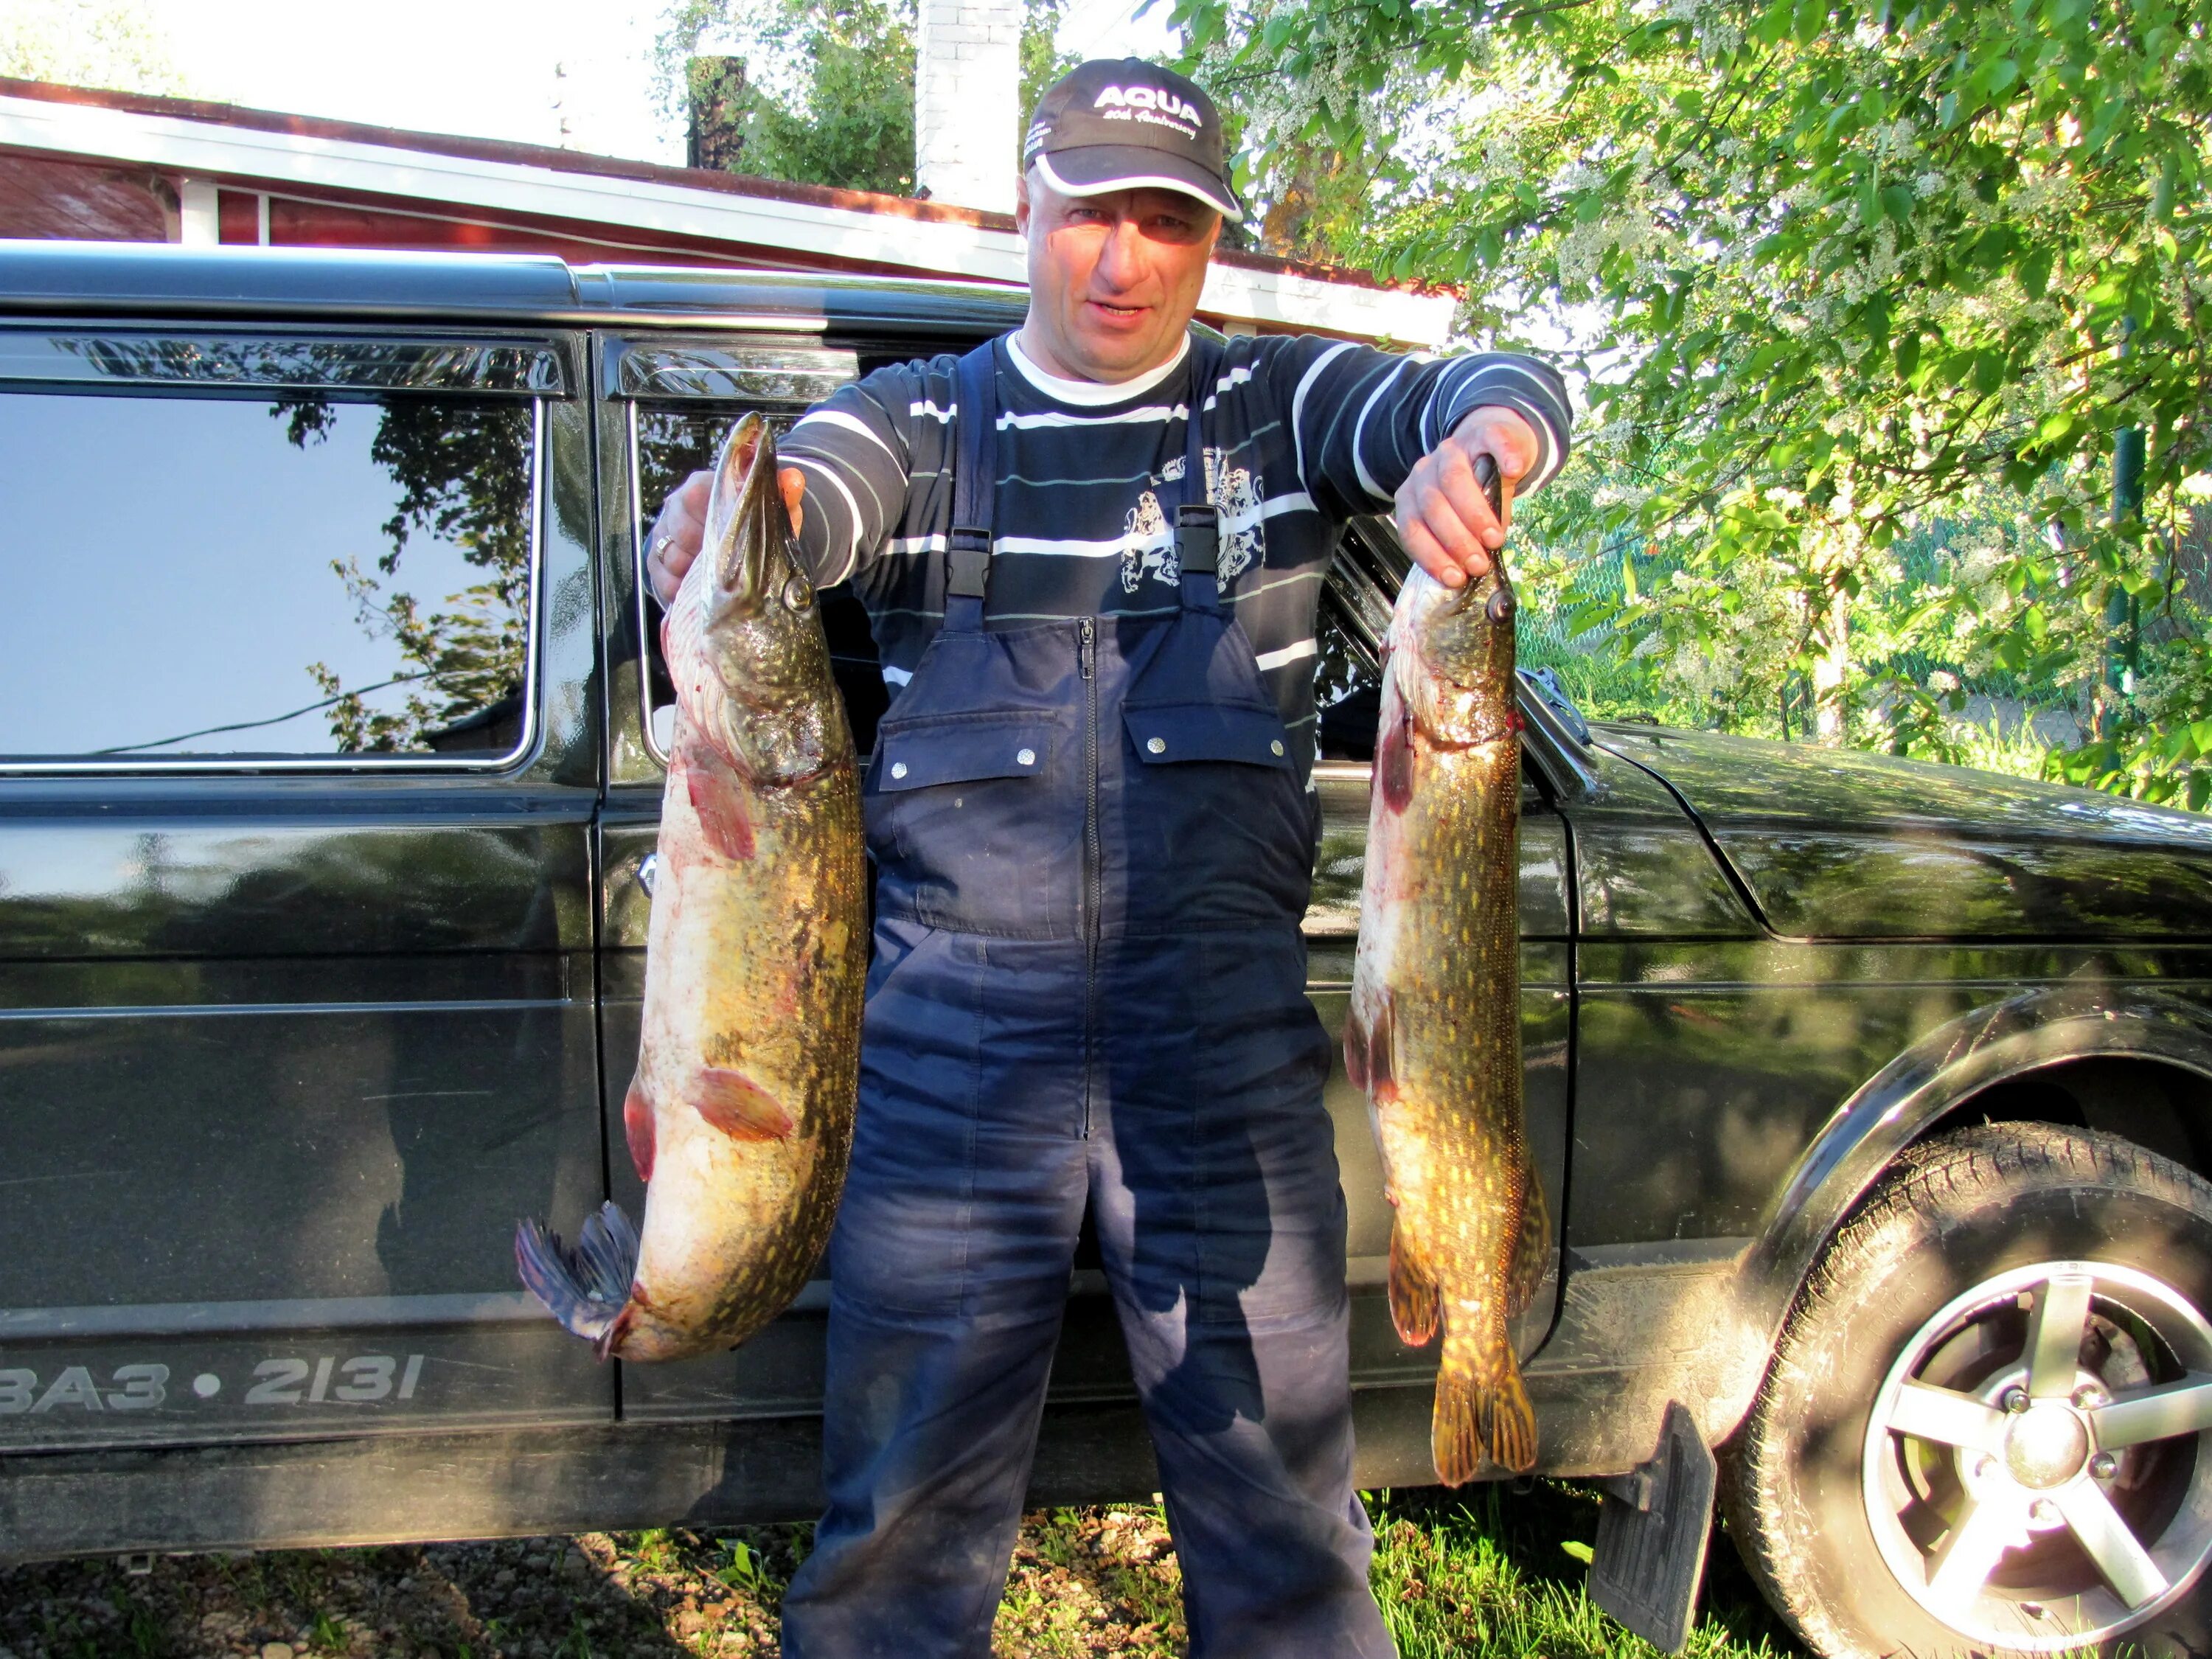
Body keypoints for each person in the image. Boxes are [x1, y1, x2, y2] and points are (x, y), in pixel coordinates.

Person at [643, 57, 1571, 1659]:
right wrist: (744, 517)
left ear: (1208, 241)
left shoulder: (1276, 410)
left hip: (1220, 1066)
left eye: (1167, 221)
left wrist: (1475, 460)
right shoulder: (929, 422)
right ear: (1029, 208)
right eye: (1091, 213)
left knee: (1288, 1534)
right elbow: (815, 499)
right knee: (894, 1551)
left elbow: (1499, 386)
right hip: (946, 1075)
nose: (1124, 259)